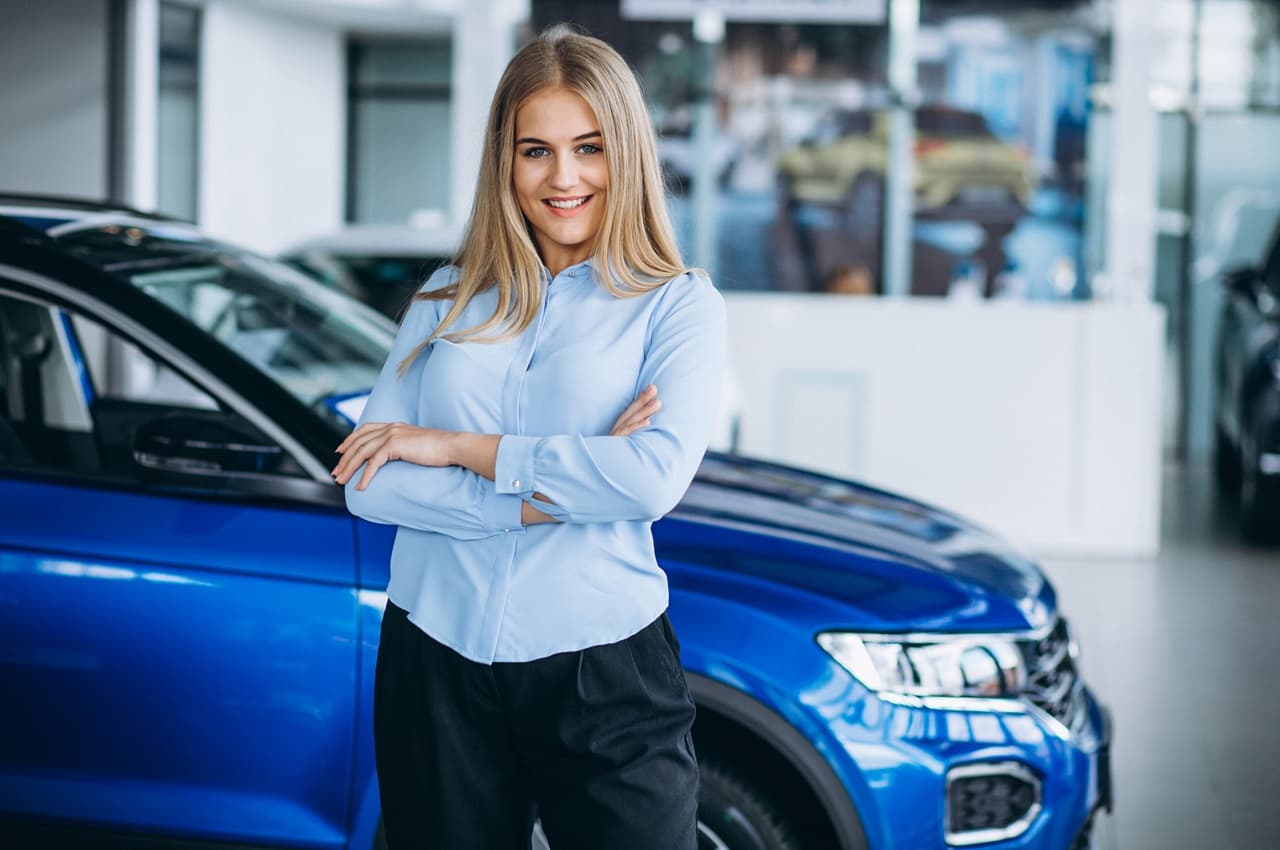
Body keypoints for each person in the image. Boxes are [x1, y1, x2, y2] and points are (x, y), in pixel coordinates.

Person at [329, 26, 726, 850]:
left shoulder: (677, 306)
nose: (564, 177)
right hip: (436, 654)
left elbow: (650, 479)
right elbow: (369, 483)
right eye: (535, 150)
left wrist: (451, 447)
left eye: (589, 147)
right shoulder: (446, 298)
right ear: (503, 161)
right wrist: (561, 495)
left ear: (627, 152)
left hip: (603, 665)